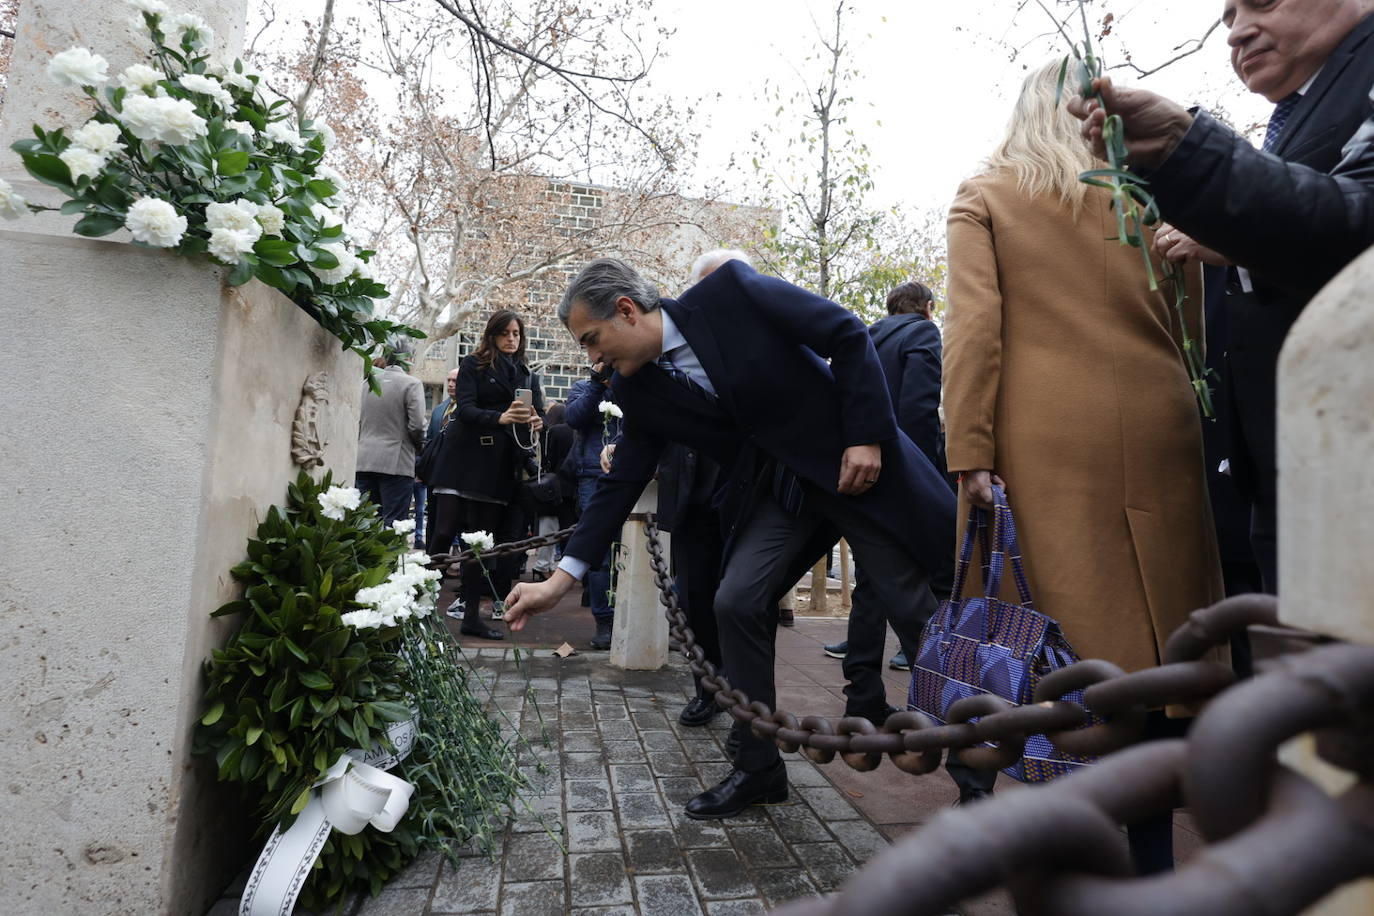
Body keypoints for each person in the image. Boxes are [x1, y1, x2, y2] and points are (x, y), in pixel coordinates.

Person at [503, 256, 957, 820]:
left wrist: (865, 436)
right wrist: (559, 580)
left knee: (913, 608)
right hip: (784, 493)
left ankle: (979, 772)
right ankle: (758, 768)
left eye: (593, 339)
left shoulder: (731, 294)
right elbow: (619, 487)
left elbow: (844, 333)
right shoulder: (636, 388)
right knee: (735, 601)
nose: (593, 357)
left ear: (626, 310)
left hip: (854, 469)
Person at [943, 61, 1225, 870]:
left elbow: (974, 335)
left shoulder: (988, 194)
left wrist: (970, 450)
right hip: (1159, 428)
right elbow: (1191, 331)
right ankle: (1151, 857)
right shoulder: (1149, 197)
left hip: (1043, 443)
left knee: (1050, 659)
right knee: (1158, 657)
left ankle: (1070, 857)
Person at [1067, 0, 1374, 591]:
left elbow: (1358, 230)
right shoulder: (1310, 108)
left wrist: (1190, 150)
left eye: (1261, 2)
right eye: (1228, 15)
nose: (1236, 32)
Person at [824, 282, 947, 673]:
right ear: (928, 307)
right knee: (927, 569)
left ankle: (862, 680)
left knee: (872, 572)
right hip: (903, 467)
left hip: (860, 464)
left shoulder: (867, 335)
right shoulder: (924, 332)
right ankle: (927, 663)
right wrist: (926, 474)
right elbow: (918, 406)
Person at [427, 310, 544, 640]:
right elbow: (464, 409)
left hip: (498, 466)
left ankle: (471, 617)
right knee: (443, 532)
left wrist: (535, 420)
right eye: (506, 333)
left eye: (517, 334)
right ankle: (419, 603)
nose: (511, 339)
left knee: (479, 542)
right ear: (492, 334)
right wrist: (501, 418)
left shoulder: (524, 373)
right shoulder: (473, 364)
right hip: (461, 457)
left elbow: (536, 413)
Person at [564, 364, 623, 650]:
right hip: (592, 475)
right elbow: (574, 418)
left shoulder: (632, 385)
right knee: (599, 554)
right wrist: (597, 384)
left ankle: (631, 615)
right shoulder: (583, 388)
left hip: (632, 475)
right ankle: (605, 619)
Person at [355, 339, 427, 526]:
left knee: (365, 522)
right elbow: (417, 426)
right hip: (396, 462)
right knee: (393, 525)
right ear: (409, 359)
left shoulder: (366, 383)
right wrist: (419, 449)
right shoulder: (411, 384)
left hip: (364, 460)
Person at [414, 366, 460, 550]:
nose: (450, 384)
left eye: (455, 381)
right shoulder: (440, 409)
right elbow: (430, 441)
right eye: (448, 380)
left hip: (459, 477)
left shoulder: (469, 408)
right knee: (434, 521)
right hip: (436, 475)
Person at [530, 402, 575, 582]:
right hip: (569, 487)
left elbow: (548, 458)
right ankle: (553, 567)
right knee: (564, 529)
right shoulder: (573, 431)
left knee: (547, 526)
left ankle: (543, 565)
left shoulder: (552, 432)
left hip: (550, 485)